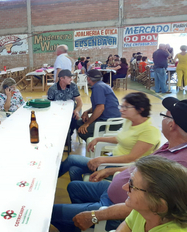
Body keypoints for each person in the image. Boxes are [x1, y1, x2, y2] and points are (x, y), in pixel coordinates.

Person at [53, 96, 187, 232]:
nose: (121, 109)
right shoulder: (170, 146)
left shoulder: (179, 164)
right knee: (73, 186)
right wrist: (109, 171)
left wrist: (94, 216)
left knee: (54, 212)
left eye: (165, 115)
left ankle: (84, 219)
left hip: (116, 203)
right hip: (114, 189)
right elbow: (139, 168)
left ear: (172, 124)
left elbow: (142, 206)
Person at [59, 92, 160, 180]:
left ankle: (50, 179)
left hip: (122, 167)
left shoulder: (149, 131)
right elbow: (121, 138)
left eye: (126, 107)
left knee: (72, 159)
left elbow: (131, 158)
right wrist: (98, 139)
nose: (121, 110)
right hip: (112, 158)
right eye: (122, 106)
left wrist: (101, 159)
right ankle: (85, 194)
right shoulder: (130, 120)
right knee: (74, 170)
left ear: (140, 109)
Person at [116, 156, 187, 232]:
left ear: (159, 205)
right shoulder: (143, 210)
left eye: (132, 185)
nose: (125, 187)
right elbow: (127, 225)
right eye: (130, 181)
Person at [76, 69, 121, 141]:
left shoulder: (98, 87)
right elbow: (99, 105)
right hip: (113, 119)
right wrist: (87, 112)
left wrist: (87, 123)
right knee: (79, 122)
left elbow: (100, 108)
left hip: (110, 122)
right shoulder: (102, 85)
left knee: (82, 131)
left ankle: (97, 145)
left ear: (88, 78)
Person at [48, 69, 83, 152]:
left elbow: (80, 102)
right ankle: (60, 138)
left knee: (74, 118)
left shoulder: (73, 86)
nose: (71, 79)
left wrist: (77, 110)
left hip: (71, 111)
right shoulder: (52, 89)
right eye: (69, 77)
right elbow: (50, 104)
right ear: (62, 79)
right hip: (57, 112)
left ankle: (68, 136)